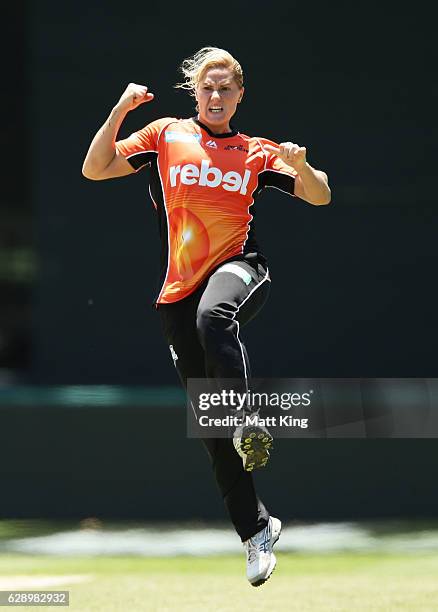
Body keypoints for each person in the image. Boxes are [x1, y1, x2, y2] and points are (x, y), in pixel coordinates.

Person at [82, 46, 331, 586]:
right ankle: (256, 531)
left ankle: (248, 417)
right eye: (207, 88)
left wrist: (303, 164)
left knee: (215, 317)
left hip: (241, 268)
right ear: (194, 92)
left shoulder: (257, 151)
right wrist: (121, 110)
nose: (215, 96)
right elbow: (94, 168)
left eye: (226, 88)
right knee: (211, 429)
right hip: (177, 291)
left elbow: (320, 196)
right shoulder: (165, 134)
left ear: (241, 95)